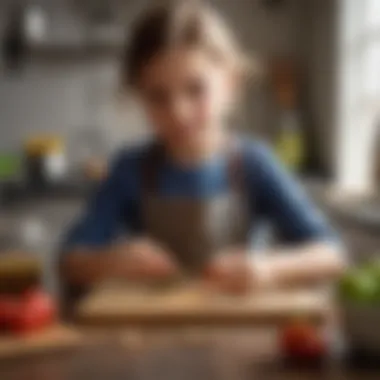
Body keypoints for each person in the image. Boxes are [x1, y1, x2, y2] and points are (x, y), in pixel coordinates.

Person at [60, 1, 345, 296]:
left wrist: (267, 268)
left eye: (195, 89)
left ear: (230, 85)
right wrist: (111, 261)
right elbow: (70, 261)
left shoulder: (254, 164)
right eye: (158, 96)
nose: (178, 112)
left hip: (239, 331)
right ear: (139, 95)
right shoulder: (130, 169)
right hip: (153, 333)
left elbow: (331, 255)